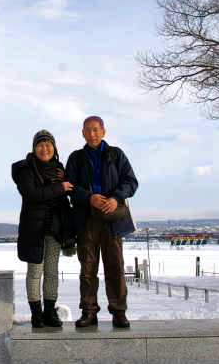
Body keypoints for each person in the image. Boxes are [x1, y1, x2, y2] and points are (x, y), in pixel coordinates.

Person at [66, 116, 138, 328]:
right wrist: (89, 198)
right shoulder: (76, 158)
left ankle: (119, 312)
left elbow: (131, 182)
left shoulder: (116, 154)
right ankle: (89, 312)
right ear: (82, 133)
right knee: (88, 269)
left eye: (96, 129)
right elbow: (69, 186)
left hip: (112, 219)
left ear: (103, 131)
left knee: (115, 267)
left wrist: (115, 198)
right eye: (88, 130)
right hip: (86, 218)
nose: (92, 133)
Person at [12, 130, 75, 328]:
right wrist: (60, 187)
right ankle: (36, 314)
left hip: (55, 229)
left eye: (48, 144)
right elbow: (32, 194)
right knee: (34, 272)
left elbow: (67, 197)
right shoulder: (25, 169)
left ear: (54, 148)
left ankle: (49, 312)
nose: (45, 148)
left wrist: (68, 230)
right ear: (34, 148)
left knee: (52, 272)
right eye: (40, 145)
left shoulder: (59, 170)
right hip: (34, 229)